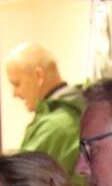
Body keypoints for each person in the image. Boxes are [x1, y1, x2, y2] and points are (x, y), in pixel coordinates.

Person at [5, 43, 86, 175]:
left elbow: (21, 181)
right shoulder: (80, 114)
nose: (15, 94)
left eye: (17, 84)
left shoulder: (55, 127)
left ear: (39, 76)